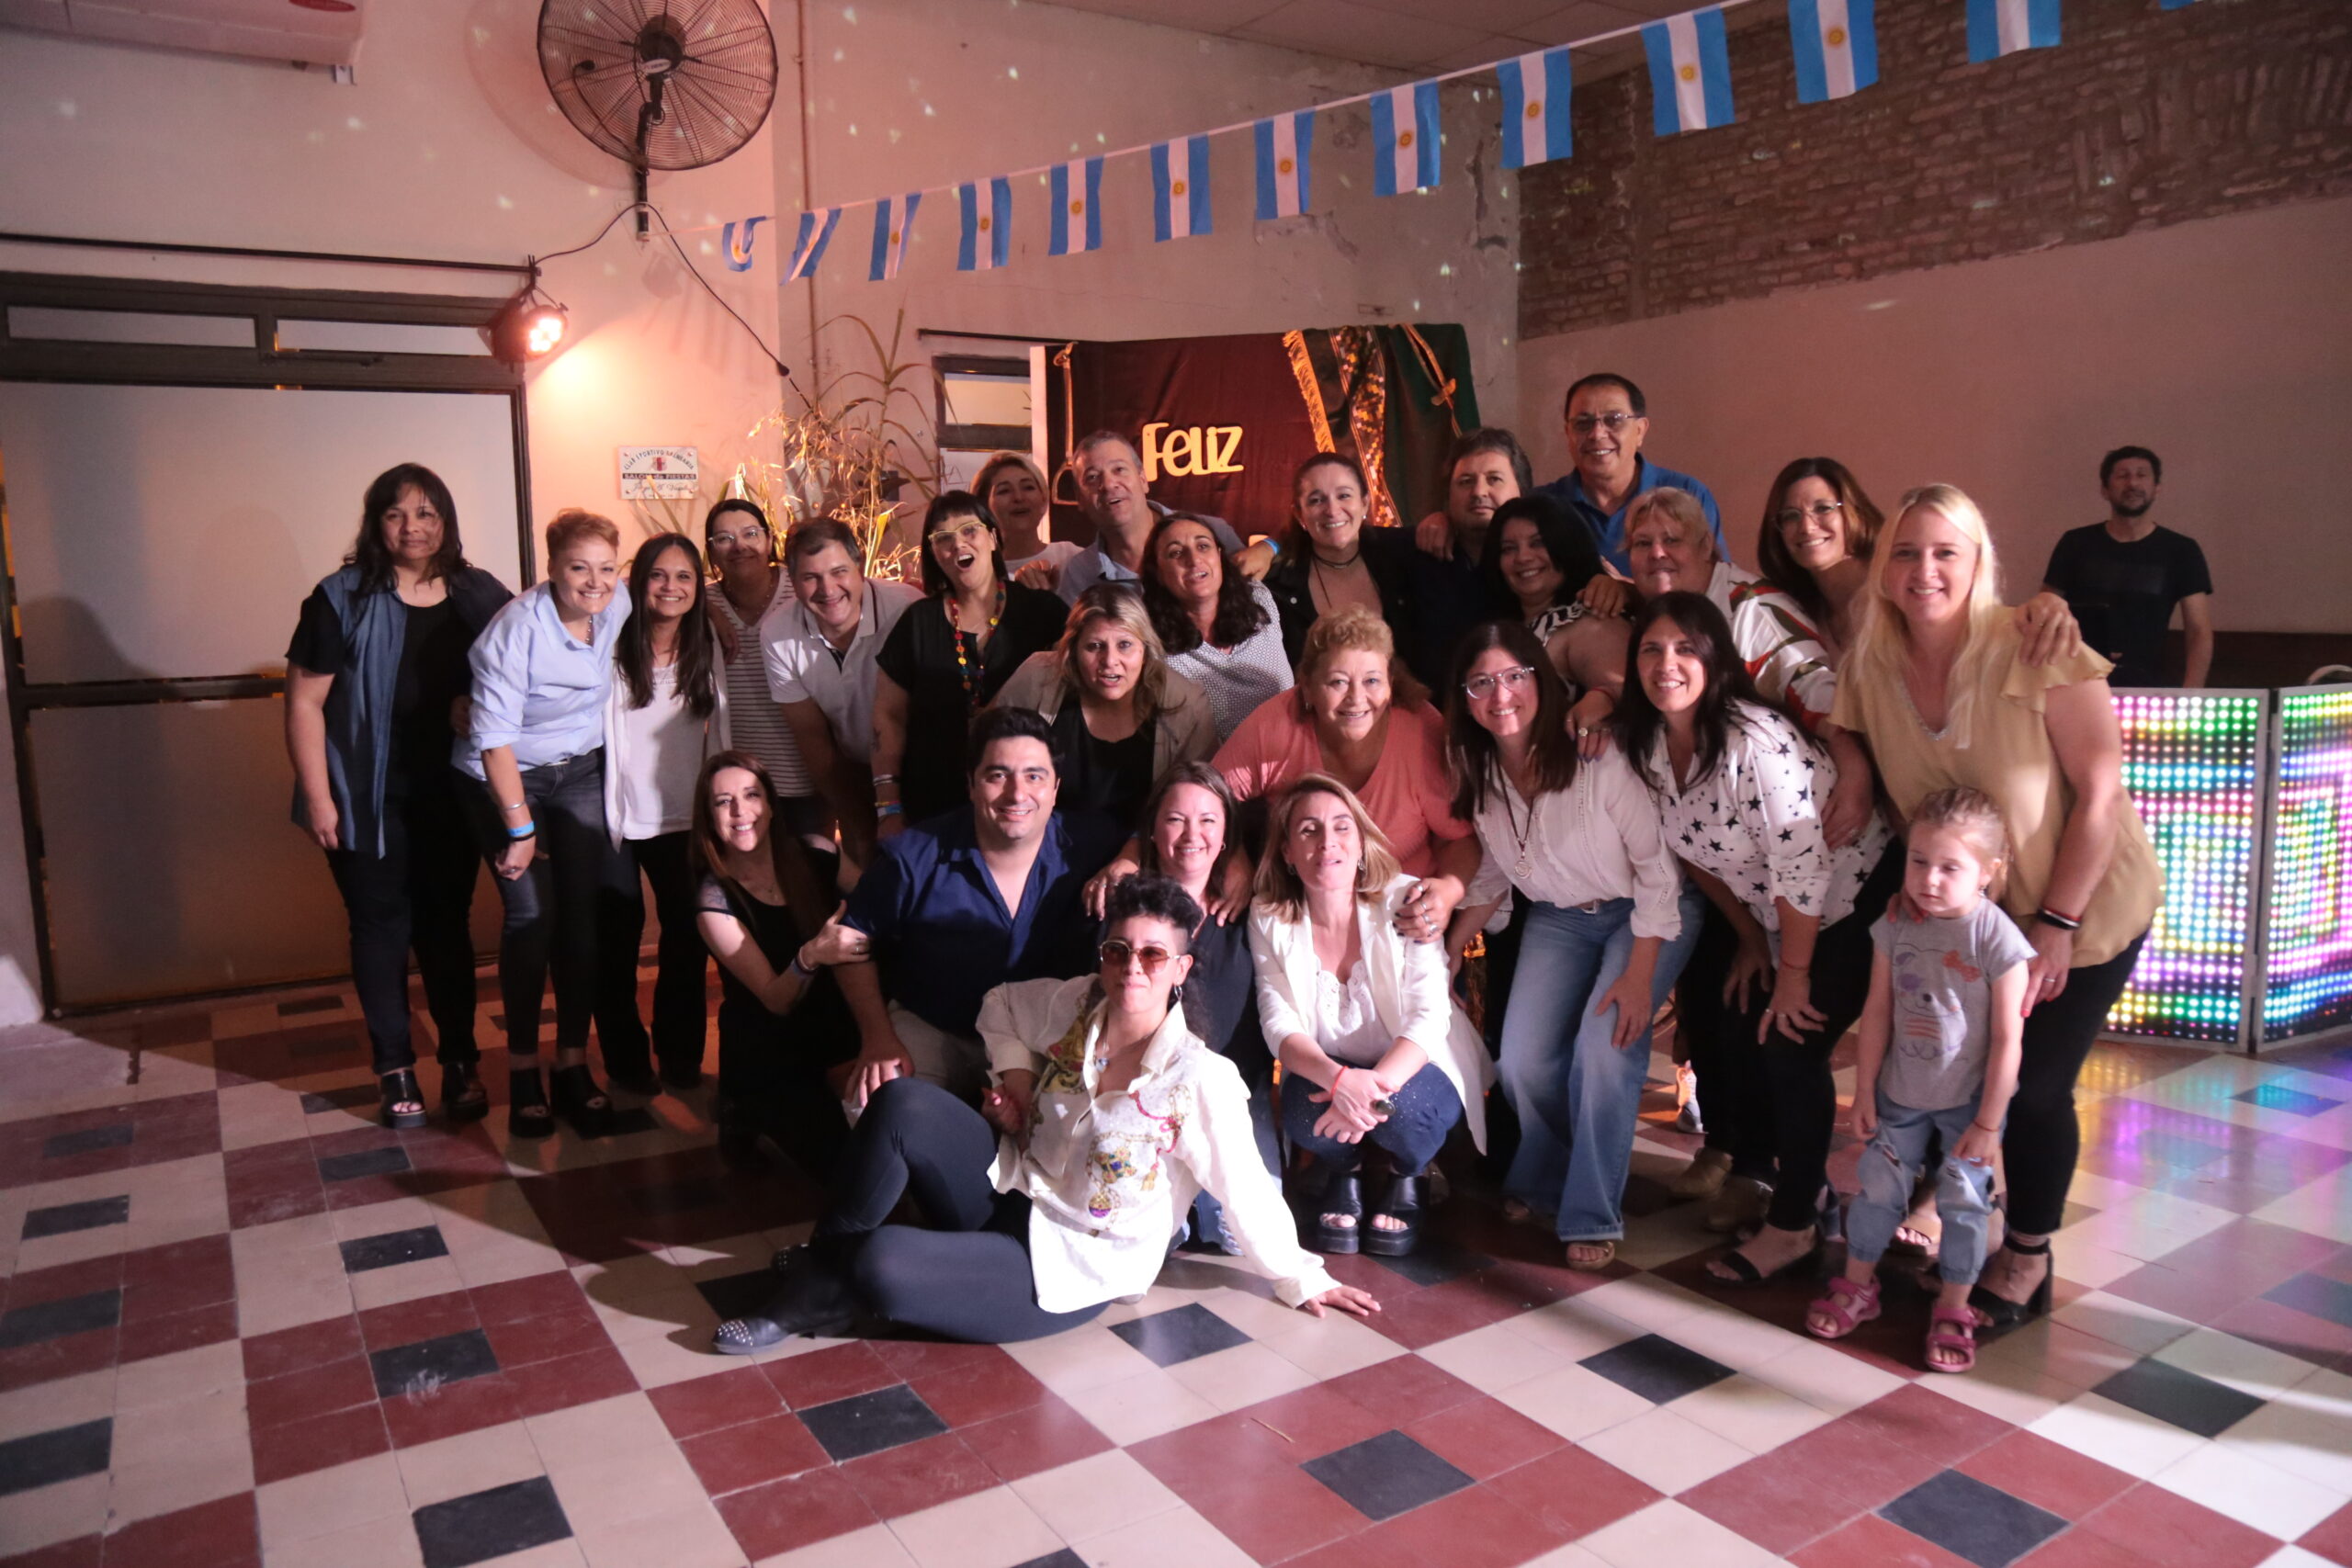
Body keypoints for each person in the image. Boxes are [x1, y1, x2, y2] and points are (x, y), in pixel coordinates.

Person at [713, 874, 1379, 1348]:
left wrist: (1302, 1276)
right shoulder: (1078, 1005)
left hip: (1065, 1266)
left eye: (1153, 955)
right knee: (903, 1102)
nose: (1132, 968)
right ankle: (817, 1276)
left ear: (1180, 969)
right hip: (1012, 1189)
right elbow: (1000, 1004)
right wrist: (1020, 1078)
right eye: (1118, 950)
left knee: (882, 1260)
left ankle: (834, 1272)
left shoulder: (1199, 1079)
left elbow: (1246, 1188)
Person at [1832, 484, 2160, 1328]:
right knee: (1953, 1069)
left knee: (2035, 1088)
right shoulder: (1871, 663)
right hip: (1970, 923)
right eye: (1906, 552)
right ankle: (1937, 1206)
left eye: (1946, 552)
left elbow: (2100, 793)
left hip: (2084, 905)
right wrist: (1856, 771)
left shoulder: (2036, 644)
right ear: (1883, 567)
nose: (1925, 570)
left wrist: (2058, 924)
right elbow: (1853, 734)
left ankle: (2028, 1252)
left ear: (1979, 562)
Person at [1616, 592, 1902, 1284]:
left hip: (1856, 896)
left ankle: (1795, 1224)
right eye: (1651, 649)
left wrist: (1793, 974)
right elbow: (1692, 854)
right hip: (1780, 913)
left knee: (1791, 1044)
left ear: (1716, 660)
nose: (1666, 664)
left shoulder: (1755, 741)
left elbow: (1802, 869)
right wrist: (1749, 939)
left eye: (1686, 649)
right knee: (1740, 1022)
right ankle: (1796, 1188)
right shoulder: (1650, 744)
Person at [1443, 623, 1701, 1269]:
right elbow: (1498, 869)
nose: (1500, 694)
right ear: (1465, 699)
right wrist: (1450, 950)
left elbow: (1658, 871)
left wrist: (1641, 976)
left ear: (1541, 680)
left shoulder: (1595, 754)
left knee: (1604, 1046)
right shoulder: (1478, 768)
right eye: (1481, 683)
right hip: (1560, 917)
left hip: (1645, 910)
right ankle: (1547, 1173)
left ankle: (1592, 1210)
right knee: (1522, 1061)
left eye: (1514, 676)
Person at [286, 463, 512, 1128]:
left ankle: (461, 1061)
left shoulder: (478, 592)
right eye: (396, 513)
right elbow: (303, 703)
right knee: (380, 930)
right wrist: (319, 797)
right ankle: (395, 1069)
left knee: (446, 927)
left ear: (446, 520)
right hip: (364, 797)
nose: (413, 527)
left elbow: (531, 662)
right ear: (375, 523)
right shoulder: (341, 597)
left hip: (454, 796)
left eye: (426, 512)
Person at [1806, 788, 2030, 1375]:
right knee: (1878, 1190)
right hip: (1900, 1093)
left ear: (1988, 872)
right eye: (1919, 861)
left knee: (1964, 1203)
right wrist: (1865, 1090)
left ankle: (1953, 1303)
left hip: (1969, 1106)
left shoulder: (1998, 941)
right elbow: (1878, 1010)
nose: (1929, 879)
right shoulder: (1895, 925)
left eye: (1950, 868)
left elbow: (2008, 1040)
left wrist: (1989, 1123)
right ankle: (1858, 1283)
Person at [1250, 776, 1490, 1257]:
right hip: (1334, 1069)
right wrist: (1340, 1081)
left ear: (1361, 844)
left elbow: (1429, 1016)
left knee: (1402, 1113)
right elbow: (1278, 1023)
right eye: (1309, 830)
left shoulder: (1405, 899)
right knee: (1301, 1111)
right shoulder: (1269, 915)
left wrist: (1368, 1089)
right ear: (1287, 852)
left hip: (1418, 1061)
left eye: (1342, 827)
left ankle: (1409, 1174)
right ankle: (1346, 1170)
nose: (1328, 843)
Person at [840, 705, 1127, 1103]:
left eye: (1034, 776)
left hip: (1039, 1033)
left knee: (1070, 1123)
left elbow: (1151, 829)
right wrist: (876, 1037)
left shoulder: (1092, 843)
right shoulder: (913, 857)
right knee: (876, 1103)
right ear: (971, 785)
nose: (1017, 794)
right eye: (997, 775)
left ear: (1055, 787)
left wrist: (1128, 859)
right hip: (934, 1026)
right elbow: (849, 939)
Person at [459, 509, 639, 1137]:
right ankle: (522, 1071)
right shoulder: (515, 631)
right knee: (533, 917)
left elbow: (674, 611)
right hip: (508, 778)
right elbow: (492, 742)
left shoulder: (617, 605)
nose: (595, 582)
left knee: (582, 917)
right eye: (579, 568)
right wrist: (519, 828)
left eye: (607, 568)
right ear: (551, 567)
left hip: (581, 770)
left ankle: (571, 1063)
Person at [1214, 608, 1480, 939]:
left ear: (1391, 684)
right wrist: (1232, 855)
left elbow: (1460, 838)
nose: (1356, 698)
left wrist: (1448, 891)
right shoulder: (1275, 726)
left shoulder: (1421, 732)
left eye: (1372, 681)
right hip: (1301, 915)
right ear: (1307, 688)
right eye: (1338, 682)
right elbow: (1204, 796)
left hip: (1401, 916)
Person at [693, 751, 868, 1174]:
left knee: (883, 1140)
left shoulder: (818, 851)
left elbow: (879, 904)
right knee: (841, 1165)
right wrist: (810, 955)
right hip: (770, 1041)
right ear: (710, 818)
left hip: (835, 1022)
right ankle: (741, 1108)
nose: (740, 812)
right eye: (724, 802)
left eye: (752, 795)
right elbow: (775, 999)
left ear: (771, 805)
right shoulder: (714, 901)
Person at [1131, 765, 1283, 1249]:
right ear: (1152, 831)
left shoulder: (1254, 912)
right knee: (1156, 1242)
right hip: (1151, 1105)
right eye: (1175, 819)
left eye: (1208, 821)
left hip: (1236, 1105)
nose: (1191, 835)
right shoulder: (1126, 913)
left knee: (1244, 1240)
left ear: (1226, 839)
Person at [603, 533, 729, 1093]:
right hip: (613, 816)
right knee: (616, 938)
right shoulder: (610, 642)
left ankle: (679, 1055)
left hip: (682, 816)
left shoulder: (706, 644)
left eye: (684, 577)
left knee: (687, 937)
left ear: (698, 587)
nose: (670, 587)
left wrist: (718, 812)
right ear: (638, 581)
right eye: (658, 575)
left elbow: (721, 731)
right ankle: (626, 1061)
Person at [1757, 457, 2084, 669]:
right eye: (1790, 515)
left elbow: (1979, 621)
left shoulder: (1903, 585)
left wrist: (2048, 604)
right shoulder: (1793, 610)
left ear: (1853, 511)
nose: (1806, 526)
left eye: (1824, 508)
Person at [870, 491, 1068, 828]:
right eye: (943, 538)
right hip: (933, 803)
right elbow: (888, 717)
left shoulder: (1043, 611)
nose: (957, 543)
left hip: (1023, 804)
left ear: (993, 538)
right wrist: (888, 807)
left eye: (969, 530)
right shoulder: (917, 621)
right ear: (934, 553)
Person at [763, 518, 922, 875]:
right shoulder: (778, 633)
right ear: (792, 581)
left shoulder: (907, 608)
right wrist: (858, 819)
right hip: (847, 767)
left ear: (859, 566)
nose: (828, 589)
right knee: (864, 868)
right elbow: (813, 740)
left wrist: (891, 806)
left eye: (839, 572)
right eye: (810, 577)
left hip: (916, 763)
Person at [992, 584, 1216, 829]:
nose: (1110, 661)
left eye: (1124, 645)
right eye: (1094, 646)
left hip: (1144, 844)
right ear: (1073, 650)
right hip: (1038, 836)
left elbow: (1197, 805)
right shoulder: (1037, 678)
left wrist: (1139, 845)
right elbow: (988, 759)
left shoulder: (1187, 704)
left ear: (1145, 649)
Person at [2042, 446, 2214, 688]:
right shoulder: (2075, 543)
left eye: (2142, 475)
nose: (2132, 483)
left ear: (2157, 488)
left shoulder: (2182, 550)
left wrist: (2191, 695)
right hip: (2076, 681)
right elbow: (2046, 611)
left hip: (2148, 687)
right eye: (2122, 476)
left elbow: (2198, 631)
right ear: (2105, 489)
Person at [704, 499, 823, 846]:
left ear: (770, 541)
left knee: (813, 866)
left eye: (750, 534)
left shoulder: (801, 590)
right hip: (741, 785)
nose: (739, 546)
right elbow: (636, 593)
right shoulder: (701, 604)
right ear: (711, 552)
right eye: (724, 539)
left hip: (808, 774)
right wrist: (705, 607)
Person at [1535, 372, 1726, 574]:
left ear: (1640, 430)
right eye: (1583, 423)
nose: (1597, 434)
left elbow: (1719, 584)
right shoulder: (1541, 507)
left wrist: (1627, 589)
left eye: (1613, 420)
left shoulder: (1688, 494)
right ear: (1568, 433)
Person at [1260, 454, 1426, 677]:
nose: (1332, 510)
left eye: (1344, 496)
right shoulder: (1276, 583)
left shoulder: (1405, 552)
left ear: (1364, 503)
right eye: (1316, 500)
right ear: (1300, 514)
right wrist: (1268, 546)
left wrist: (1441, 522)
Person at [1057, 431, 1266, 603]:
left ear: (1143, 479)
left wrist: (1270, 547)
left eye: (1119, 469)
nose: (1109, 484)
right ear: (1080, 499)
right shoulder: (1080, 573)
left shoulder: (1212, 533)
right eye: (1092, 477)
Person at [1139, 511, 1294, 741]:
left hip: (1288, 750)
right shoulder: (1149, 642)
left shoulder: (1258, 598)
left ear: (1219, 556)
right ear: (1158, 573)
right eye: (1176, 553)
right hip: (1211, 763)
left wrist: (1269, 546)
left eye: (1203, 546)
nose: (1194, 560)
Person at [1481, 494, 1627, 724]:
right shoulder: (1498, 626)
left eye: (1537, 543)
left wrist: (1604, 698)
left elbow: (1625, 699)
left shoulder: (1593, 619)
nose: (1523, 557)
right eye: (1508, 549)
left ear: (1567, 546)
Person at [976, 451, 1080, 582]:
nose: (1018, 497)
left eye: (1028, 487)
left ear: (1043, 498)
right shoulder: (976, 572)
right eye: (1004, 491)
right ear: (984, 506)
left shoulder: (1072, 558)